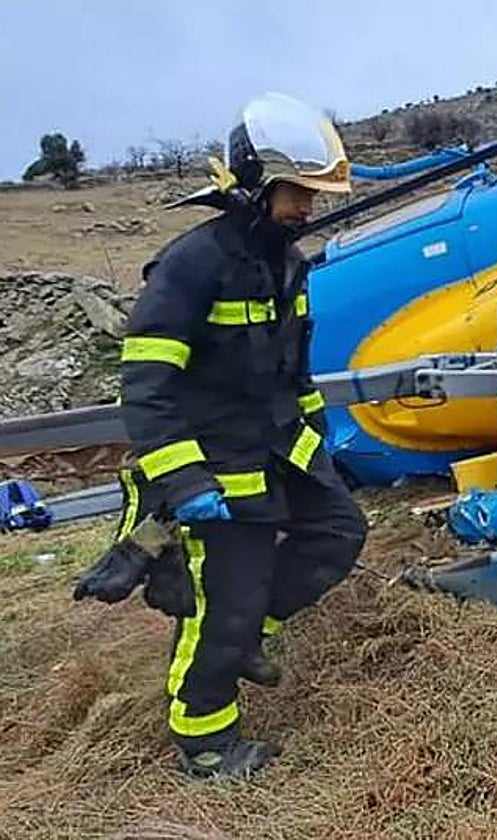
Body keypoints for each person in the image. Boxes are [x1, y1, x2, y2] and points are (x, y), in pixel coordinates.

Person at [116, 93, 368, 779]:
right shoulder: (192, 264)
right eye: (299, 194)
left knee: (340, 531)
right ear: (256, 183)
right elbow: (146, 388)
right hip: (215, 468)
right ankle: (205, 743)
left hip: (280, 450)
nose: (309, 209)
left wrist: (324, 441)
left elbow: (295, 374)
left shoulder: (288, 265)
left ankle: (252, 632)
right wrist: (186, 484)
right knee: (224, 604)